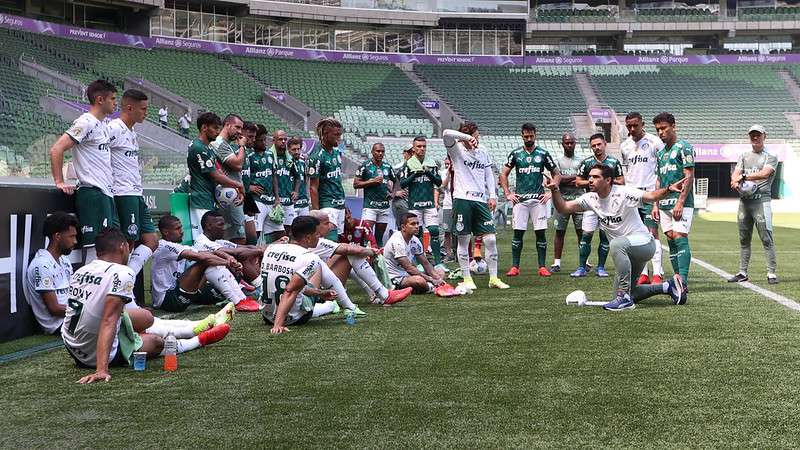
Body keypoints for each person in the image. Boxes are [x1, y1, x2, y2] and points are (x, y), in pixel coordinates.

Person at [62, 229, 230, 384]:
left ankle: (196, 326)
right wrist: (101, 370)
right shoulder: (122, 272)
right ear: (123, 247)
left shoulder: (82, 271)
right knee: (156, 342)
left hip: (73, 346)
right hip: (92, 356)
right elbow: (108, 320)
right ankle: (196, 340)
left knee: (145, 317)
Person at [546, 164, 688, 311]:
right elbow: (563, 208)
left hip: (644, 244)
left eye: (595, 177)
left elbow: (651, 196)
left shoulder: (623, 193)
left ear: (608, 180)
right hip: (625, 251)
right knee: (624, 292)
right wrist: (555, 190)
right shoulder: (590, 198)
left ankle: (625, 299)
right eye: (589, 177)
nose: (590, 180)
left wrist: (669, 189)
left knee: (616, 245)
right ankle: (668, 286)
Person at [49, 80, 118, 262]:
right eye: (112, 98)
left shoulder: (102, 125)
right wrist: (59, 181)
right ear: (99, 99)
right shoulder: (85, 122)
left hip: (105, 194)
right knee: (96, 252)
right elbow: (57, 149)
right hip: (92, 194)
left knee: (108, 250)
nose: (115, 103)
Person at [443, 122, 510, 291]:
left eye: (477, 137)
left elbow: (488, 173)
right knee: (464, 240)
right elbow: (445, 133)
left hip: (481, 201)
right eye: (475, 137)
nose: (477, 140)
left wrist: (493, 195)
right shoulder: (456, 150)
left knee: (491, 239)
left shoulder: (483, 150)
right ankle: (467, 278)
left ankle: (493, 278)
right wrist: (466, 138)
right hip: (462, 199)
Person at [264, 216, 350, 334]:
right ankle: (333, 306)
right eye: (317, 234)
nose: (320, 237)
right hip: (292, 318)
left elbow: (289, 286)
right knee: (318, 264)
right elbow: (290, 290)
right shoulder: (309, 257)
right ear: (308, 238)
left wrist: (320, 293)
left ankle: (336, 303)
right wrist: (278, 324)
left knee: (297, 282)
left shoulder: (271, 248)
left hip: (267, 316)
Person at [309, 210, 412, 306]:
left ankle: (377, 294)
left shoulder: (311, 240)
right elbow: (348, 249)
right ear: (316, 226)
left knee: (347, 256)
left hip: (315, 288)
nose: (330, 226)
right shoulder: (316, 242)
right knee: (352, 254)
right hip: (316, 292)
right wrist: (371, 252)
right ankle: (383, 294)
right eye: (327, 223)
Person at [151, 215, 254, 312]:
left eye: (181, 228)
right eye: (177, 229)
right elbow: (202, 257)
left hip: (181, 292)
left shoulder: (179, 246)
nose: (182, 231)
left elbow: (208, 253)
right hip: (167, 300)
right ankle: (237, 301)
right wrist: (228, 263)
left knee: (209, 262)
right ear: (165, 232)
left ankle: (242, 298)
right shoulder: (163, 246)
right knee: (205, 262)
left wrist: (229, 259)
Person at [108, 89, 158, 278]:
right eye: (143, 109)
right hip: (123, 192)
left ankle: (126, 279)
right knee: (127, 243)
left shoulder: (132, 132)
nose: (146, 113)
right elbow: (97, 151)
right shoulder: (113, 128)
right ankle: (121, 289)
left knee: (152, 240)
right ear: (129, 108)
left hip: (136, 192)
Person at [499, 122, 560, 277]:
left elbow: (556, 173)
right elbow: (503, 173)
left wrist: (551, 191)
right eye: (526, 136)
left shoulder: (543, 153)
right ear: (522, 136)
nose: (528, 139)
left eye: (531, 136)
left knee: (540, 233)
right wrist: (508, 193)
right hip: (520, 200)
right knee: (518, 234)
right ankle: (515, 267)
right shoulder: (516, 154)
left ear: (535, 135)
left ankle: (542, 267)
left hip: (538, 200)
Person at [728, 124, 779, 285]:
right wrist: (734, 181)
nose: (755, 138)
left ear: (765, 136)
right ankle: (742, 272)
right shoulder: (744, 155)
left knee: (766, 238)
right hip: (745, 202)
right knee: (744, 239)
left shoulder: (771, 156)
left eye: (758, 135)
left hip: (761, 202)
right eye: (752, 135)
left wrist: (742, 177)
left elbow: (765, 174)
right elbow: (735, 173)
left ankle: (771, 273)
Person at [571, 133, 624, 278]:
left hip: (609, 205)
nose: (596, 148)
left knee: (604, 237)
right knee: (586, 236)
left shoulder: (613, 162)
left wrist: (607, 182)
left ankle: (601, 267)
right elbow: (578, 181)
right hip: (592, 204)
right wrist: (592, 182)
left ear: (605, 144)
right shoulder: (587, 162)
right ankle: (582, 267)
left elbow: (621, 180)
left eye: (599, 144)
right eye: (593, 145)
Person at [621, 112, 665, 285]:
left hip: (649, 194)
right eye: (629, 126)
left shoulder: (655, 142)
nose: (632, 129)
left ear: (642, 124)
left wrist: (656, 200)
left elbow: (661, 171)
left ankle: (658, 273)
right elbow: (626, 172)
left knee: (652, 234)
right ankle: (643, 273)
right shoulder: (625, 146)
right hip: (631, 196)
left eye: (635, 125)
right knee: (635, 236)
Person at [652, 112, 695, 286]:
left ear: (673, 126)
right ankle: (677, 279)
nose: (661, 132)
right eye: (657, 130)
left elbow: (689, 175)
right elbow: (659, 180)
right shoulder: (661, 153)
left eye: (664, 128)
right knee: (670, 238)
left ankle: (682, 281)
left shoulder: (684, 147)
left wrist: (680, 201)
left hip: (680, 203)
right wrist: (655, 204)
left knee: (679, 236)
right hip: (663, 204)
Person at [186, 112, 242, 241]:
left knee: (211, 241)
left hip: (208, 198)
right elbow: (215, 175)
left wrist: (235, 187)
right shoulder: (198, 147)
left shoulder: (208, 148)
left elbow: (218, 171)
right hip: (200, 199)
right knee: (202, 241)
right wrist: (238, 185)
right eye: (215, 128)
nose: (218, 132)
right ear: (204, 128)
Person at [193, 211, 264, 312]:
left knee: (245, 253)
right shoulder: (201, 241)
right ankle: (239, 300)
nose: (224, 227)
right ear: (208, 226)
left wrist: (264, 249)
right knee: (214, 264)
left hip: (219, 287)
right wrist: (258, 251)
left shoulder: (218, 241)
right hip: (201, 290)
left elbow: (244, 247)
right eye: (220, 225)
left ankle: (242, 298)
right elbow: (236, 252)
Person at [24, 212, 77, 334]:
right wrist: (86, 311)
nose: (75, 241)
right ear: (57, 236)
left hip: (72, 317)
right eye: (71, 236)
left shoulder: (64, 261)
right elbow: (55, 309)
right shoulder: (41, 265)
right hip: (58, 326)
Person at [398, 136, 444, 269]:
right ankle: (419, 264)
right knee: (416, 233)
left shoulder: (431, 163)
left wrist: (428, 173)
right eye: (419, 146)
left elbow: (439, 182)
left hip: (429, 203)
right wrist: (415, 174)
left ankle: (438, 263)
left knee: (434, 231)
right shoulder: (408, 164)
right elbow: (402, 183)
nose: (422, 149)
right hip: (415, 204)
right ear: (414, 148)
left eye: (424, 146)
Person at [384, 213, 445, 294]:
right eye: (413, 224)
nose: (416, 226)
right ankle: (431, 288)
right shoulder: (397, 241)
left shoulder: (415, 240)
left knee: (440, 271)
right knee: (419, 281)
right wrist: (431, 279)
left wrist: (438, 279)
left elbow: (425, 263)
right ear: (403, 227)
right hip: (396, 277)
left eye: (417, 223)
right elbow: (409, 268)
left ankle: (430, 286)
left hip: (408, 275)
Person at [210, 114, 248, 244]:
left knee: (234, 237)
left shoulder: (226, 144)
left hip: (232, 193)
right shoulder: (219, 143)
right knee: (238, 238)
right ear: (227, 125)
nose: (239, 132)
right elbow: (237, 164)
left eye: (241, 128)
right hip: (228, 196)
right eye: (237, 127)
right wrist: (242, 146)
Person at [308, 118, 346, 241]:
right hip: (327, 204)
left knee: (337, 240)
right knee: (329, 242)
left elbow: (336, 180)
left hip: (340, 203)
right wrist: (316, 213)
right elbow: (313, 187)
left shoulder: (336, 153)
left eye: (340, 135)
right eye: (336, 135)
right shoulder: (316, 156)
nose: (339, 138)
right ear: (325, 134)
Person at [551, 133, 584, 273]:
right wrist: (573, 178)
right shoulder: (558, 160)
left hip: (579, 199)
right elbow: (556, 178)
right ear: (562, 144)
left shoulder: (581, 161)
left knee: (581, 232)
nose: (569, 145)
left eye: (571, 142)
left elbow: (582, 179)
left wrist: (565, 178)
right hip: (561, 199)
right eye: (566, 143)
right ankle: (556, 263)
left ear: (575, 143)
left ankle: (585, 262)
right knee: (560, 232)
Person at [353, 142, 396, 247]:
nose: (380, 153)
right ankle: (364, 259)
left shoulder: (387, 166)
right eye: (378, 151)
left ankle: (378, 260)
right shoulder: (364, 166)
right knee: (366, 234)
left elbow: (396, 181)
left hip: (384, 207)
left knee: (379, 237)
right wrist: (371, 181)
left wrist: (393, 193)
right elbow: (356, 184)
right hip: (370, 206)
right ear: (372, 152)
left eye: (382, 151)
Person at [248, 125, 283, 243]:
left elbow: (274, 176)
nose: (264, 143)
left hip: (271, 200)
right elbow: (243, 175)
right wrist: (249, 187)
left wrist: (277, 198)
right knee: (255, 234)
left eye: (265, 140)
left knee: (280, 234)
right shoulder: (249, 156)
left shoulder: (270, 155)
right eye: (260, 140)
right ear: (254, 141)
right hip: (257, 200)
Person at [272, 129, 300, 236]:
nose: (283, 141)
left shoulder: (289, 158)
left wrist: (296, 191)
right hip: (275, 201)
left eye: (285, 139)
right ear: (274, 141)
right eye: (280, 139)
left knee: (288, 230)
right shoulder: (270, 156)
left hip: (288, 200)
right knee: (276, 231)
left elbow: (298, 177)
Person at [238, 122, 258, 245]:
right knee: (240, 239)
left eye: (254, 137)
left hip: (246, 198)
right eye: (250, 136)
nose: (253, 140)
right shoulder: (233, 151)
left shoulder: (248, 152)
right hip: (235, 198)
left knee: (252, 239)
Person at [288, 136, 310, 217]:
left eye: (298, 149)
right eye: (294, 149)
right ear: (288, 150)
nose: (297, 152)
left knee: (306, 229)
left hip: (304, 203)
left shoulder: (303, 162)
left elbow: (306, 181)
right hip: (292, 204)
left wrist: (308, 197)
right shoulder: (286, 163)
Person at [391, 147, 412, 229]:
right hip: (401, 202)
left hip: (412, 202)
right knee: (403, 227)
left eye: (412, 152)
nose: (411, 154)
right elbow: (386, 182)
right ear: (404, 154)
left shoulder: (417, 167)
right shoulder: (398, 167)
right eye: (409, 152)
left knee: (414, 228)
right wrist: (394, 193)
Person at [439, 156, 455, 262]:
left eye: (448, 163)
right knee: (447, 231)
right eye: (445, 164)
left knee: (459, 231)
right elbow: (443, 185)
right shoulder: (444, 172)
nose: (446, 165)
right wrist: (449, 172)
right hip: (448, 204)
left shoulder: (460, 171)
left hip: (458, 203)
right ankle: (448, 253)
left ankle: (458, 252)